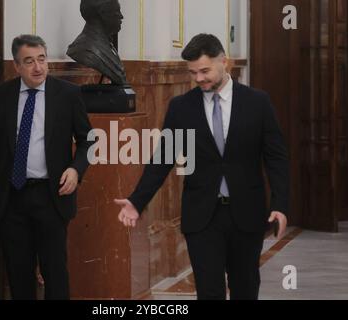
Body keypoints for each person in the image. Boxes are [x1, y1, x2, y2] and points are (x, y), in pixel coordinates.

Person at [115, 34, 290, 300]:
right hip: (202, 216)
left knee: (246, 288)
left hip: (247, 213)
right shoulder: (181, 107)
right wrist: (136, 201)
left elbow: (276, 158)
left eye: (205, 71)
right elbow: (163, 159)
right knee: (209, 291)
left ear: (225, 62)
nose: (198, 79)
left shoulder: (258, 102)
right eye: (193, 73)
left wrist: (280, 205)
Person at [0, 34, 93, 300]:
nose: (38, 67)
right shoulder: (0, 95)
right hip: (12, 198)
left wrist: (76, 169)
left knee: (55, 273)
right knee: (18, 274)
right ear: (17, 66)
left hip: (52, 196)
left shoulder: (68, 94)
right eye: (29, 61)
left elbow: (88, 141)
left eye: (41, 59)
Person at [66, 0, 127, 85]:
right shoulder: (86, 50)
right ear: (103, 14)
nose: (121, 16)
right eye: (116, 11)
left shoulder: (107, 45)